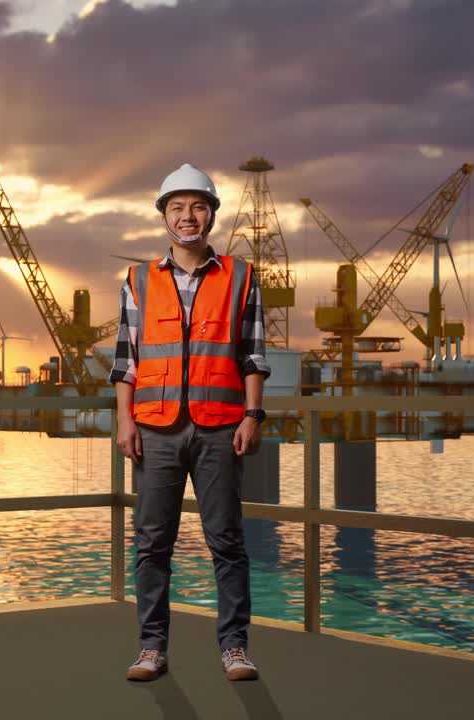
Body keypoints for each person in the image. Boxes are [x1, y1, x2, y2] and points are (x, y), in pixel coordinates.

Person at [110, 162, 270, 682]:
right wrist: (124, 422)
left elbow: (253, 355)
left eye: (197, 206)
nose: (187, 216)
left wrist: (252, 414)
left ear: (212, 215)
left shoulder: (241, 277)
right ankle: (151, 648)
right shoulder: (137, 280)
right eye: (176, 207)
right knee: (152, 542)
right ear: (163, 217)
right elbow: (125, 361)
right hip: (154, 428)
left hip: (221, 426)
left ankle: (235, 648)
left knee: (226, 539)